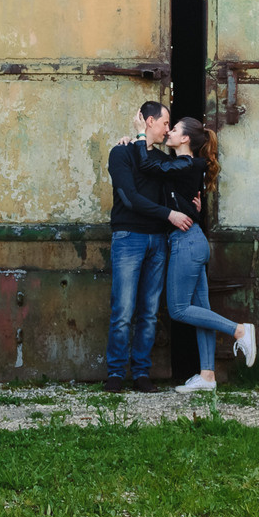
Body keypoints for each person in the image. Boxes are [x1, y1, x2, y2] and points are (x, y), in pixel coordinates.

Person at [154, 117, 256, 393]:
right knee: (201, 311)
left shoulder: (188, 163)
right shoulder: (184, 166)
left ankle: (240, 330)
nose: (169, 131)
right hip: (192, 240)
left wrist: (141, 138)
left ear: (186, 138)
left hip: (186, 242)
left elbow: (154, 167)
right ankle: (208, 375)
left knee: (178, 309)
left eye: (173, 129)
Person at [105, 100, 195, 393]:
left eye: (170, 125)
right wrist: (169, 214)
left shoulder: (162, 160)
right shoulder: (121, 153)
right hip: (128, 238)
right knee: (123, 309)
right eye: (165, 123)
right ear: (147, 121)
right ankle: (116, 374)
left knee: (149, 311)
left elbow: (173, 193)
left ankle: (141, 373)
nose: (168, 129)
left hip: (158, 240)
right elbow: (129, 198)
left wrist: (190, 204)